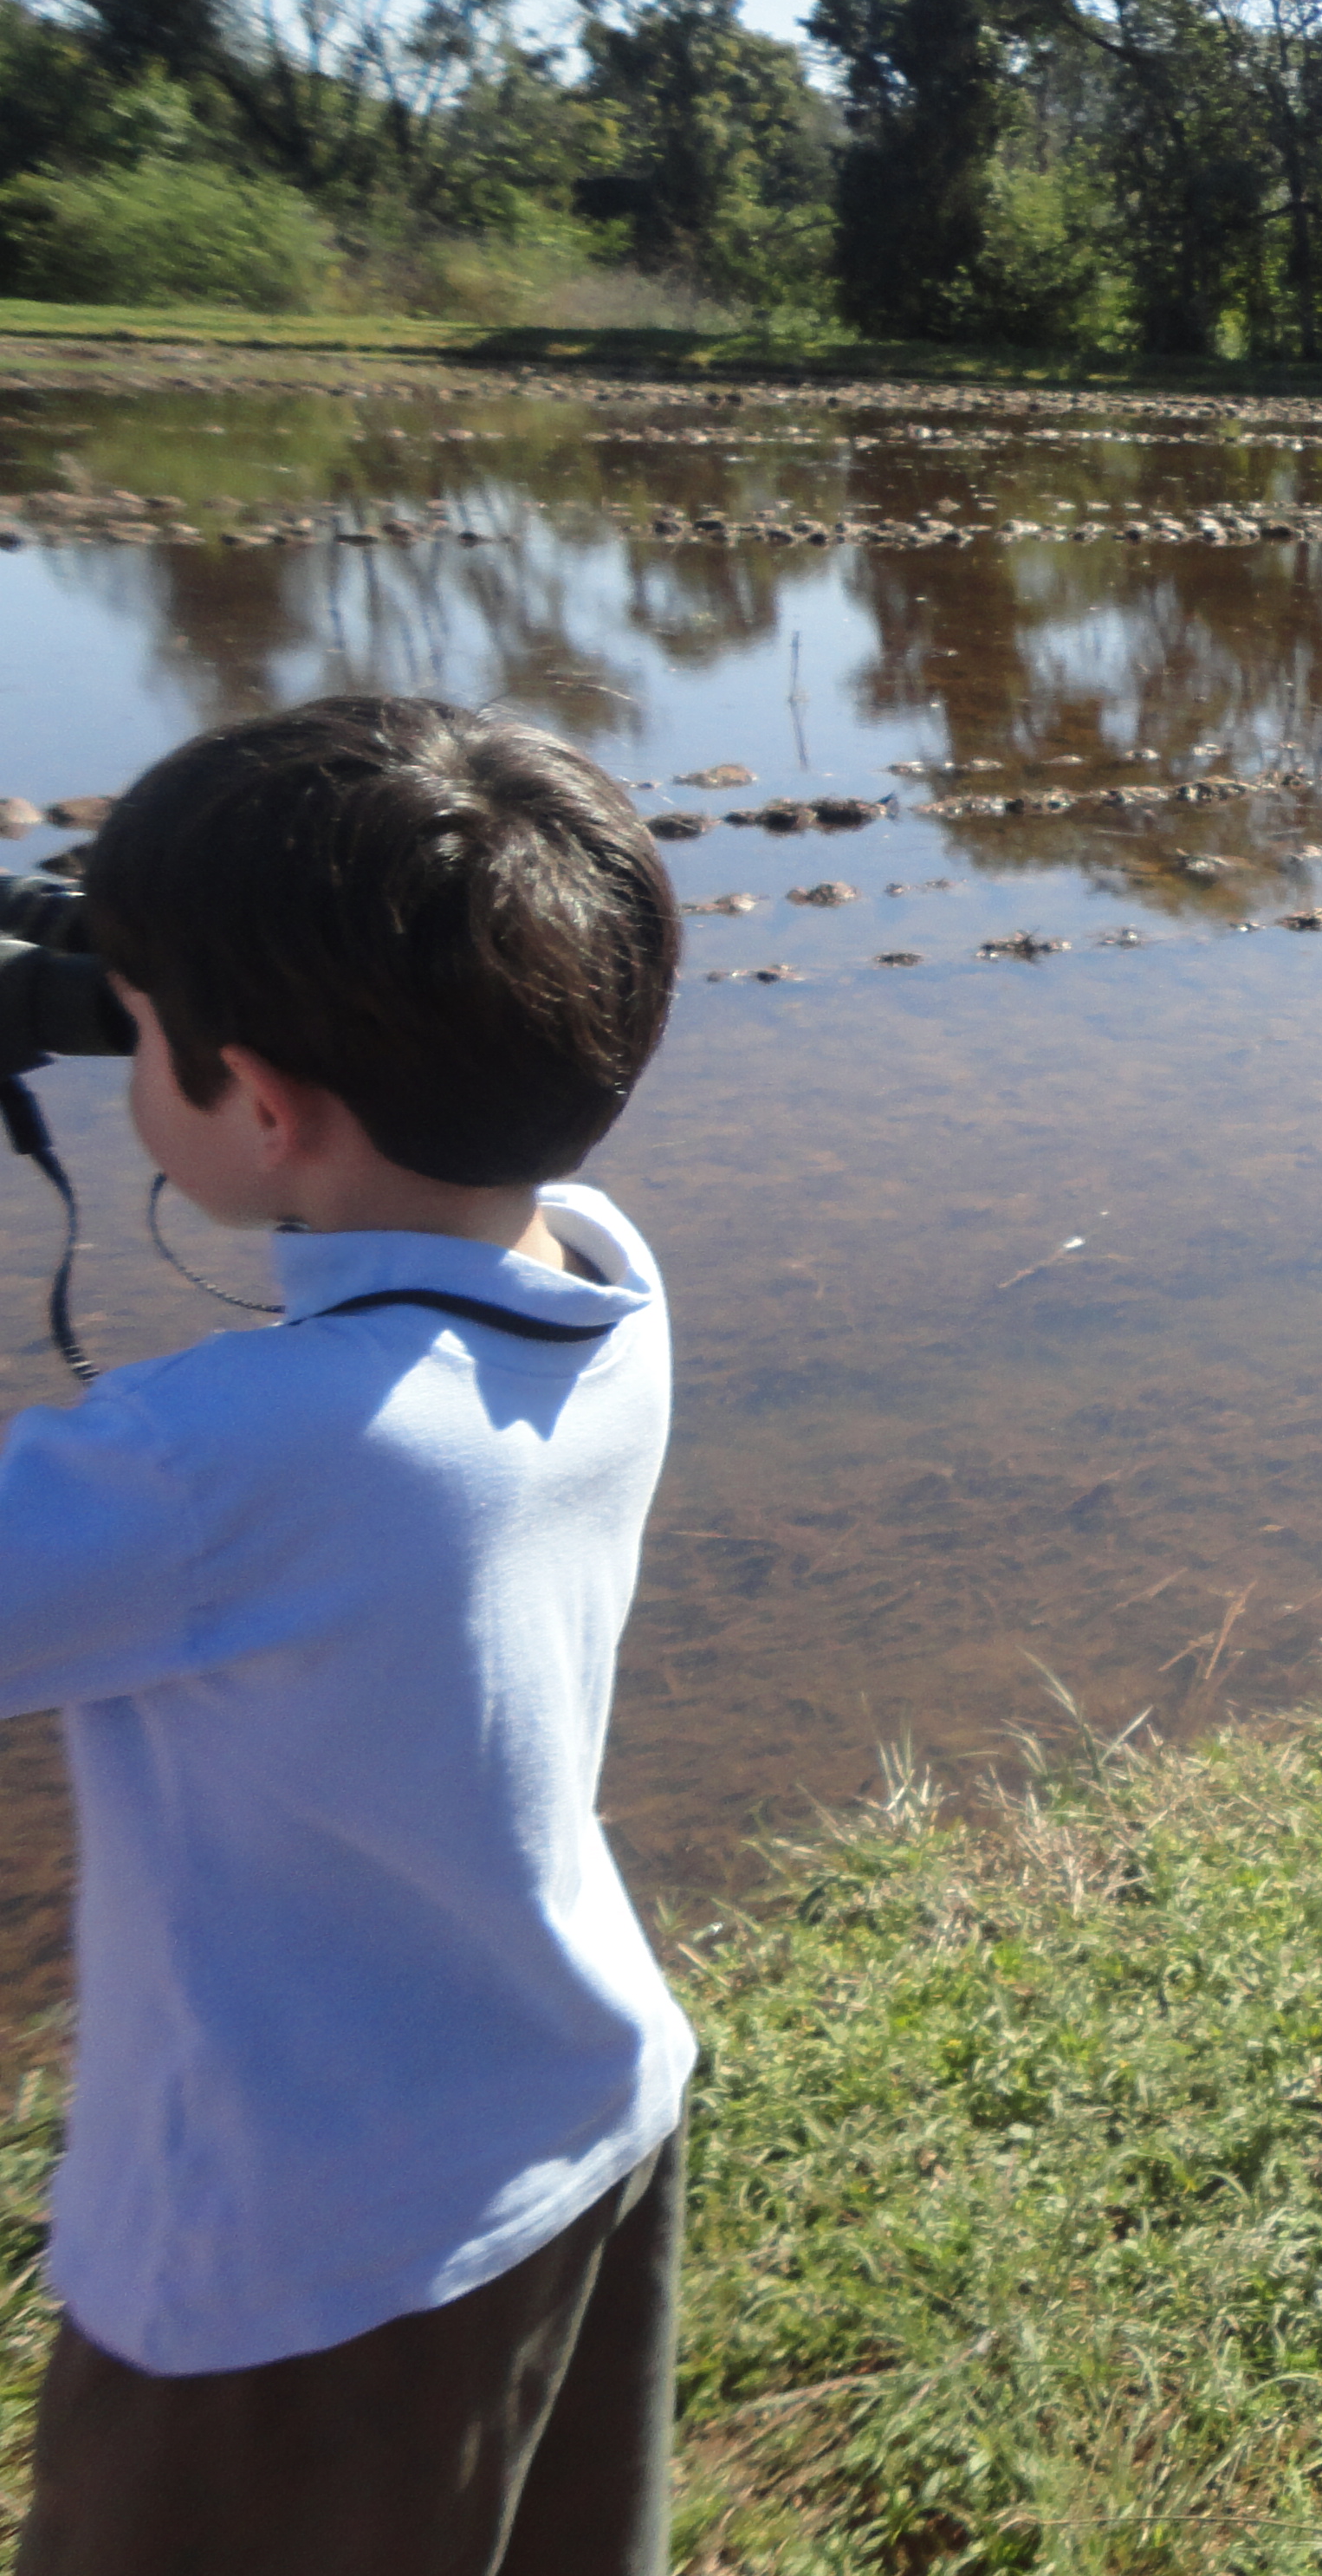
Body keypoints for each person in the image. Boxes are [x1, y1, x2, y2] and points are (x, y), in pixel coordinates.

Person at [0, 697, 695, 2576]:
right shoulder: (603, 1276)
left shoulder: (206, 1468)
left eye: (138, 1031)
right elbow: (401, 1107)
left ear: (265, 1103)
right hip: (578, 2120)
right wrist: (176, 987)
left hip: (289, 2283)